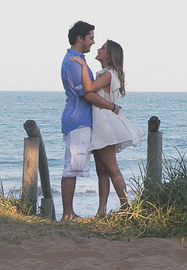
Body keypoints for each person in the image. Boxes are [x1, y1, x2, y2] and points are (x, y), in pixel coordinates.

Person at [69, 39, 143, 215]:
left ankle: (126, 207)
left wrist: (81, 63)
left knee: (112, 169)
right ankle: (101, 211)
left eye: (102, 48)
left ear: (109, 56)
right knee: (102, 170)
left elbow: (88, 88)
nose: (98, 49)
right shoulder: (108, 73)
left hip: (104, 126)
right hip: (101, 125)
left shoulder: (108, 74)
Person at [59, 20, 120, 221]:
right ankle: (68, 214)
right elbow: (88, 94)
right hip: (78, 119)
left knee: (93, 168)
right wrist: (112, 107)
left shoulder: (79, 61)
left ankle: (79, 212)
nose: (93, 42)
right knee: (73, 166)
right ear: (80, 38)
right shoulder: (74, 62)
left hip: (85, 120)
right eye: (91, 38)